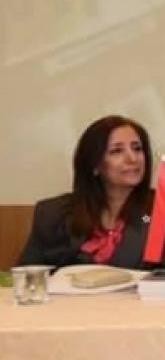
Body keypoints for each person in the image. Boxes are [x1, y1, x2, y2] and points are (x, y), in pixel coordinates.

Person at [17, 115, 153, 269]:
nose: (132, 158)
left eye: (137, 148)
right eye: (116, 151)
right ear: (95, 164)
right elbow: (27, 275)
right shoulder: (53, 214)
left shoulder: (159, 214)